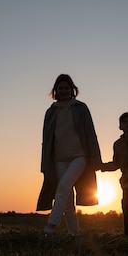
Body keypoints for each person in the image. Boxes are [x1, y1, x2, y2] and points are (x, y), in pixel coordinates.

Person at [36, 74, 102, 235]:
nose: (64, 91)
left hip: (79, 157)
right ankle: (74, 233)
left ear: (72, 89)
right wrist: (45, 163)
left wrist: (96, 159)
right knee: (66, 200)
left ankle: (50, 226)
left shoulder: (81, 108)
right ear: (56, 91)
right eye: (61, 88)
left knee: (63, 186)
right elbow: (46, 139)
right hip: (58, 159)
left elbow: (90, 133)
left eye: (66, 88)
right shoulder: (51, 112)